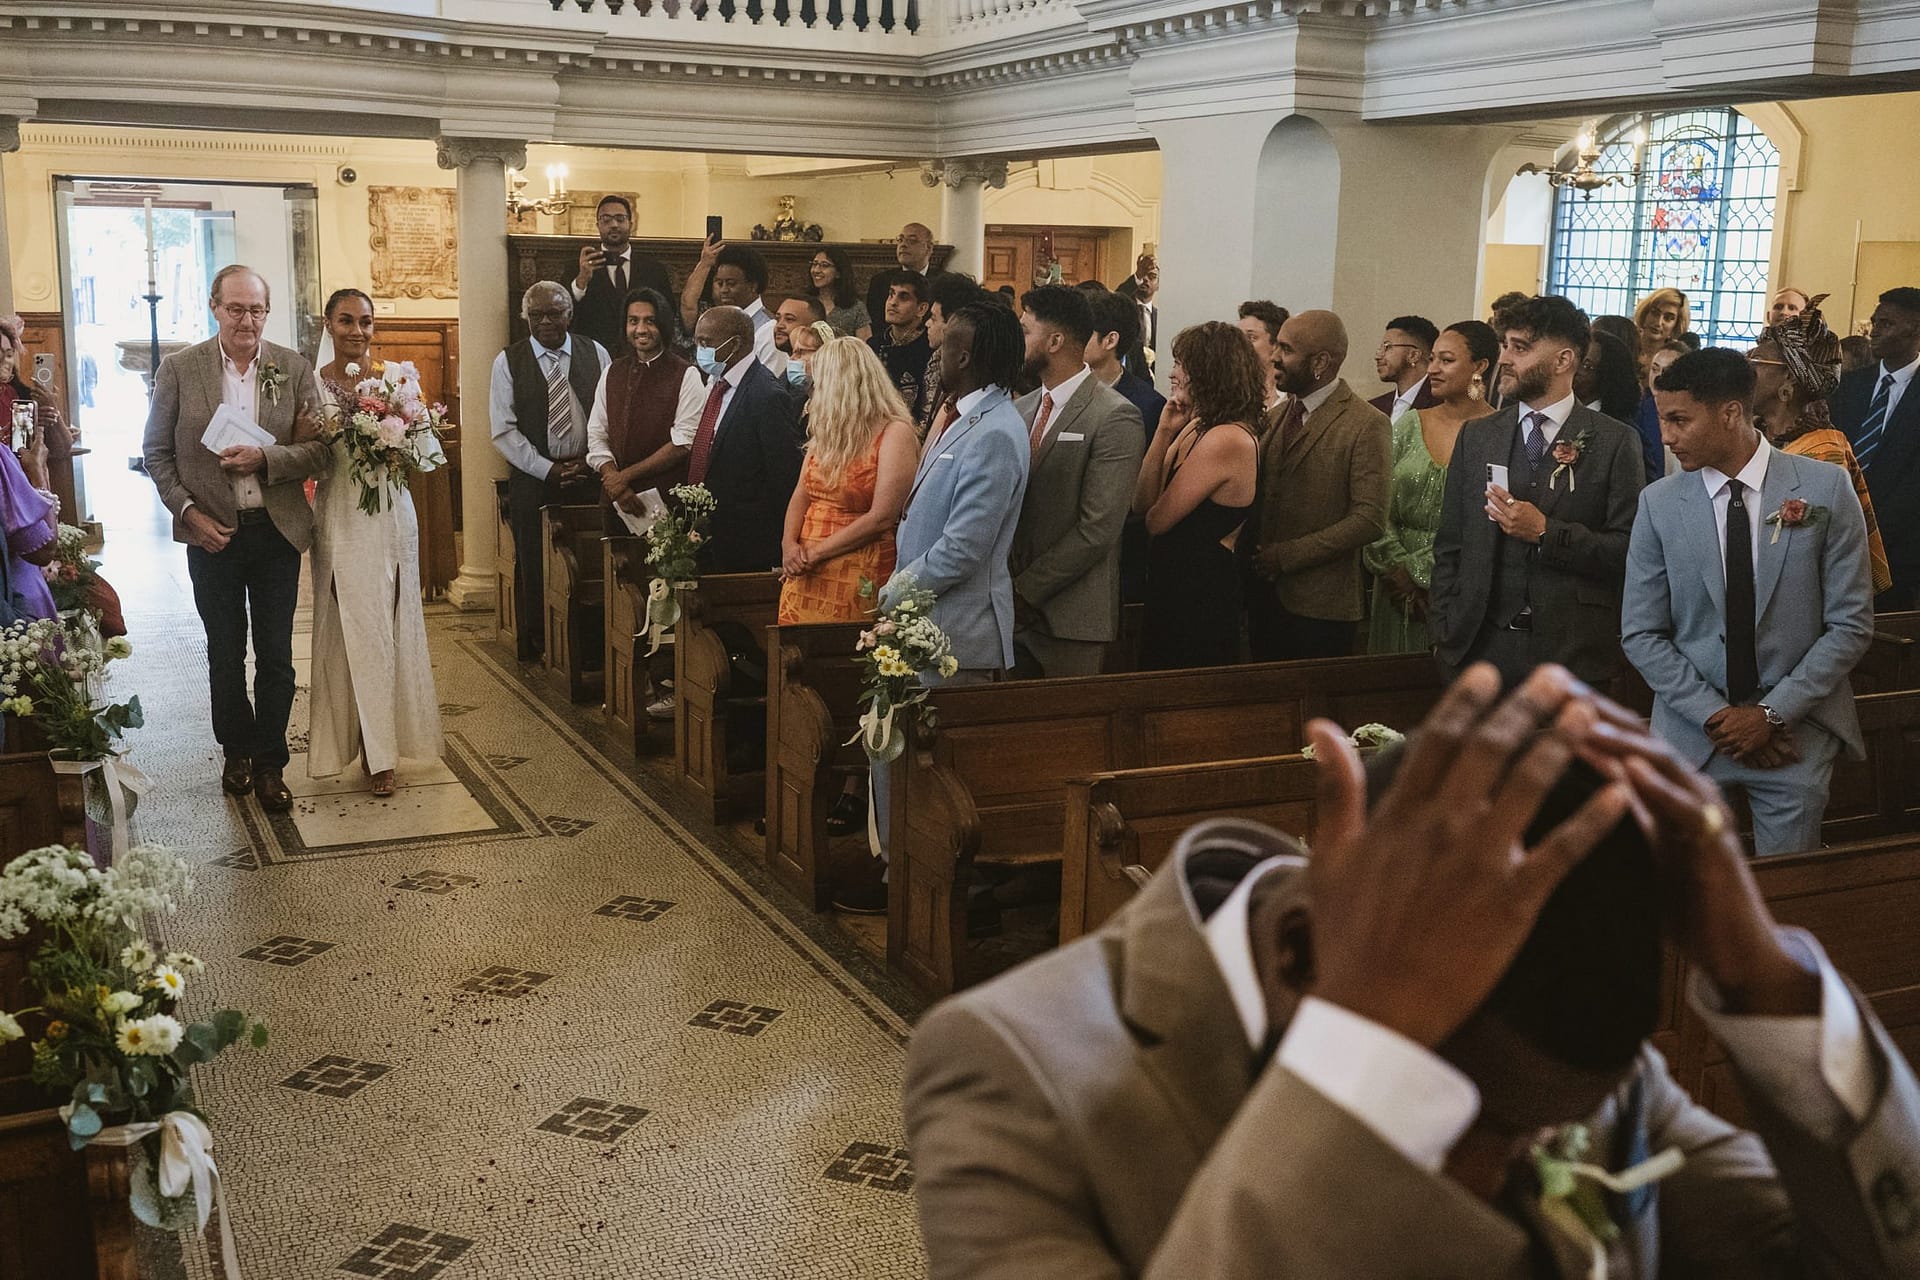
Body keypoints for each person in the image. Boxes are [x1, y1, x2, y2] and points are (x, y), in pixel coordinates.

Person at [905, 664, 1920, 1277]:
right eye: (1476, 1134)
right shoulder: (1011, 1073)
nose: (1521, 1167)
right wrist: (1368, 1068)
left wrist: (1762, 974)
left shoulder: (1562, 1042)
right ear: (1306, 957)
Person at [1625, 347, 1874, 855]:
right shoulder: (1660, 503)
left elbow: (1850, 624)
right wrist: (1721, 719)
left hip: (1796, 734)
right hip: (1695, 732)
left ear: (1731, 413)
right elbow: (1642, 632)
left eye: (1679, 420)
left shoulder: (1825, 488)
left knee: (1789, 896)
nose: (1666, 436)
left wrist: (1770, 716)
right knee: (1691, 898)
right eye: (1662, 420)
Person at [848, 299, 1030, 915]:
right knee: (894, 759)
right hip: (921, 622)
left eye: (946, 342)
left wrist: (891, 594)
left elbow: (963, 550)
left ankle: (918, 890)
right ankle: (897, 877)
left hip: (956, 633)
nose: (936, 351)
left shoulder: (998, 431)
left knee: (929, 779)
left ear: (967, 355)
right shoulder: (958, 419)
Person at [142, 264, 329, 812]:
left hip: (274, 532)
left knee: (275, 655)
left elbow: (318, 450)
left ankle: (271, 762)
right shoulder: (181, 368)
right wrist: (189, 514)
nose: (248, 319)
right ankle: (236, 752)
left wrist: (265, 458)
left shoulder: (292, 368)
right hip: (213, 534)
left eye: (257, 309)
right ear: (214, 307)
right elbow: (156, 453)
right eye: (236, 308)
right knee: (225, 652)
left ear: (268, 313)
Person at [1431, 295, 1644, 689]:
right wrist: (1446, 631)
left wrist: (1548, 533)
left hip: (1571, 655)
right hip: (1478, 650)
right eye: (1505, 345)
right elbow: (1451, 544)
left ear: (1564, 360)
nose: (1505, 359)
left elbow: (1628, 550)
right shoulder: (1478, 436)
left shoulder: (1615, 442)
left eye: (1520, 347)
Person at [307, 288, 443, 797]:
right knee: (353, 630)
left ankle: (385, 746)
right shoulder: (312, 384)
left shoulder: (396, 380)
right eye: (346, 320)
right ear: (329, 324)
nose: (356, 331)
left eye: (365, 321)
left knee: (391, 628)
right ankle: (368, 751)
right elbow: (307, 452)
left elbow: (428, 452)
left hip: (392, 516)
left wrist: (403, 433)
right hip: (343, 516)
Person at [1009, 285, 1145, 678]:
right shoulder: (1022, 408)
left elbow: (1098, 527)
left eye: (1025, 331)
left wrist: (1026, 590)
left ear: (1054, 341)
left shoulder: (1115, 416)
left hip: (1071, 617)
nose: (1017, 342)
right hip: (1011, 610)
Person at [1239, 310, 1390, 661]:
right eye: (1276, 346)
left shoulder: (1366, 424)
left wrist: (1288, 555)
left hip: (1322, 609)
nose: (1274, 357)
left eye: (1287, 350)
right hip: (1264, 600)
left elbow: (1369, 519)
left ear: (1321, 361)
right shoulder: (1276, 416)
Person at [1364, 320, 1498, 656]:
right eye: (1433, 359)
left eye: (1447, 360)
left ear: (1480, 367)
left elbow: (1488, 521)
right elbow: (1376, 503)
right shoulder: (1410, 423)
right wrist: (1396, 571)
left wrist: (1421, 574)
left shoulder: (1500, 433)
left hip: (1460, 588)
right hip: (1393, 591)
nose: (1433, 369)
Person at [1132, 322, 1260, 670]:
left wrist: (1153, 510)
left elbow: (1157, 521)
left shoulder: (1227, 438)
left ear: (1207, 372)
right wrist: (1162, 432)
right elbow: (1141, 503)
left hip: (1201, 594)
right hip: (1170, 586)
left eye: (1180, 364)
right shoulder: (1194, 426)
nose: (1172, 373)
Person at [490, 281, 607, 662]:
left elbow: (608, 416)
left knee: (591, 563)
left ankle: (591, 643)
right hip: (535, 481)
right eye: (536, 315)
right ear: (526, 317)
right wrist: (547, 470)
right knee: (536, 562)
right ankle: (542, 640)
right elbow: (503, 430)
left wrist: (590, 460)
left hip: (589, 476)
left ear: (569, 314)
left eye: (554, 313)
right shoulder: (509, 361)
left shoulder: (597, 353)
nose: (545, 322)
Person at [1750, 295, 1893, 596]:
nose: (1746, 370)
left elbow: (1805, 553)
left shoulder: (1824, 453)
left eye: (1756, 361)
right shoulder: (1754, 436)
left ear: (1788, 378)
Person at [778, 336, 916, 624]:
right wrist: (789, 545)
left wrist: (815, 553)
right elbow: (800, 495)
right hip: (804, 567)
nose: (813, 392)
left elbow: (881, 516)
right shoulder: (829, 432)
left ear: (841, 386)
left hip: (858, 566)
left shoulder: (894, 433)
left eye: (817, 384)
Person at [685, 306, 804, 574]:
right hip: (709, 537)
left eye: (707, 343)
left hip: (749, 546)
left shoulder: (767, 395)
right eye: (698, 341)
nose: (701, 350)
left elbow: (783, 477)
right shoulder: (718, 382)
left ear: (735, 344)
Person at [585, 287, 703, 536]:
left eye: (650, 321)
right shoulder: (612, 371)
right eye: (633, 321)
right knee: (615, 571)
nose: (640, 329)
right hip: (614, 499)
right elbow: (596, 432)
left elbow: (683, 441)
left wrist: (624, 477)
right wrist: (614, 481)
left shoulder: (686, 373)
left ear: (662, 324)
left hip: (663, 500)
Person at [1832, 285, 1920, 609]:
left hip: (1899, 552)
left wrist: (1871, 528)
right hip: (1838, 538)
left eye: (1887, 324)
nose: (1874, 331)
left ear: (1916, 329)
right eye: (1874, 321)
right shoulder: (1850, 385)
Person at [0, 316, 63, 623]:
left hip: (24, 506)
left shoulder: (22, 397)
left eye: (9, 352)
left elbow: (58, 448)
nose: (5, 360)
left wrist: (53, 414)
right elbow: (43, 549)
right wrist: (34, 470)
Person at [569, 194, 673, 355]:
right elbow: (567, 315)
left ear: (631, 223)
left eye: (620, 218)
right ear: (597, 225)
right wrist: (581, 281)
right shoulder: (579, 266)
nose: (614, 224)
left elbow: (667, 315)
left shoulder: (654, 269)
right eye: (606, 219)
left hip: (643, 354)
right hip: (594, 355)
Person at [681, 241, 784, 375]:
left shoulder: (769, 330)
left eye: (731, 284)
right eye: (719, 283)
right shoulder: (721, 321)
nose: (723, 290)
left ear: (753, 286)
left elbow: (770, 385)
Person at [1577, 329, 1654, 482]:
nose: (1574, 370)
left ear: (1606, 376)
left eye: (1586, 366)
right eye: (1576, 360)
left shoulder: (1624, 433)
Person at [916, 273, 984, 438]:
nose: (927, 324)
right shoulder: (937, 358)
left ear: (953, 323)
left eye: (933, 318)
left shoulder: (964, 368)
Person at [867, 271, 933, 411]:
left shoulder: (930, 348)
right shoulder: (872, 345)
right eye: (891, 294)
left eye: (903, 297)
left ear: (921, 309)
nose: (892, 302)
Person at [1368, 315, 1441, 421]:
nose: (1378, 356)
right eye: (1381, 348)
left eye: (1387, 347)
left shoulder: (1441, 405)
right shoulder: (1374, 408)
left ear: (1413, 355)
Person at [866, 222, 937, 325]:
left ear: (929, 248)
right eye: (900, 240)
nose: (903, 245)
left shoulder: (945, 284)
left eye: (912, 241)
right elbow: (876, 323)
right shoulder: (880, 281)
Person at [1235, 300, 1288, 419]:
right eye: (1238, 337)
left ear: (1275, 343)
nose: (1240, 344)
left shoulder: (1290, 396)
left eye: (1251, 337)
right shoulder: (1231, 392)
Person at [806, 245, 871, 339]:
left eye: (824, 265)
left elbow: (864, 346)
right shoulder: (804, 303)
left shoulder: (856, 307)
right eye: (814, 264)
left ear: (838, 273)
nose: (816, 270)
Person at [1115, 253, 1160, 381]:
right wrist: (1138, 276)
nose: (1146, 279)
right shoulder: (1123, 308)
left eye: (1152, 277)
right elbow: (1119, 296)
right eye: (1143, 276)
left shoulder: (1160, 317)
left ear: (1158, 285)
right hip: (1126, 373)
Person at [1633, 286, 1690, 365]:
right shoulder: (1625, 346)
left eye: (1668, 318)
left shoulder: (1678, 361)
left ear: (1676, 325)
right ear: (1645, 313)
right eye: (1655, 313)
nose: (1658, 322)